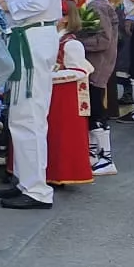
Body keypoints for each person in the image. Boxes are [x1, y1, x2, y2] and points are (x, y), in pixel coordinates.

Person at [0, 0, 64, 211]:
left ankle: (36, 188)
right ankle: (27, 180)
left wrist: (6, 4)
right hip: (34, 33)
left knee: (30, 115)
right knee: (25, 114)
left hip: (32, 33)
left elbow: (35, 0)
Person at [74, 0, 124, 176]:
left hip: (96, 66)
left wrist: (76, 42)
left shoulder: (98, 7)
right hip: (100, 65)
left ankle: (105, 157)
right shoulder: (104, 5)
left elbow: (103, 40)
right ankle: (95, 154)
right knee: (94, 109)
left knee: (95, 111)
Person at [44, 26, 94, 187]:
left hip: (66, 95)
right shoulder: (52, 39)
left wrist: (49, 77)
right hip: (53, 93)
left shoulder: (71, 44)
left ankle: (62, 174)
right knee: (50, 134)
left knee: (62, 135)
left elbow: (79, 71)